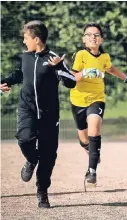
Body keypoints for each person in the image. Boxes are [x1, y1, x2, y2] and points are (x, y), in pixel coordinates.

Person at [0, 20, 76, 208]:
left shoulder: (53, 58)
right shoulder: (24, 57)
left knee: (48, 155)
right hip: (27, 109)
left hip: (49, 114)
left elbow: (72, 82)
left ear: (36, 39)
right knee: (24, 139)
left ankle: (42, 191)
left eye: (26, 38)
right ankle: (31, 160)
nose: (24, 41)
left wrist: (59, 67)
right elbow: (19, 74)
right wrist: (4, 81)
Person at [70, 23, 127, 188]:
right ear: (84, 39)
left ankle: (92, 170)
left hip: (97, 98)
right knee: (83, 138)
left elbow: (111, 69)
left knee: (94, 127)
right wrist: (86, 72)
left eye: (96, 35)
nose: (92, 37)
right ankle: (91, 151)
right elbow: (72, 77)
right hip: (78, 100)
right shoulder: (80, 55)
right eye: (89, 35)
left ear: (101, 39)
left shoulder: (104, 57)